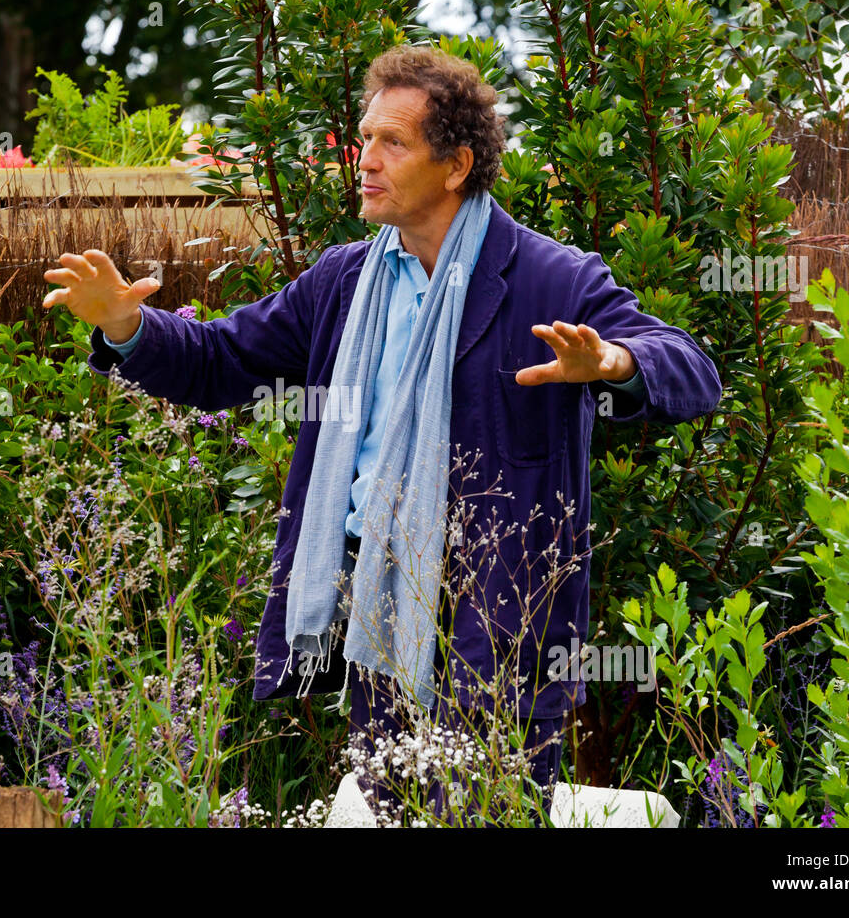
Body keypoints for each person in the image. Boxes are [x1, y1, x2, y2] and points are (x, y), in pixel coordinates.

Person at [43, 44, 722, 824]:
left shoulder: (549, 278)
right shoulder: (343, 282)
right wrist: (128, 325)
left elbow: (691, 369)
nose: (363, 159)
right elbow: (223, 361)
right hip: (376, 612)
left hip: (501, 617)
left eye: (390, 142)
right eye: (364, 138)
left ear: (457, 164)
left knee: (486, 813)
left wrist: (614, 359)